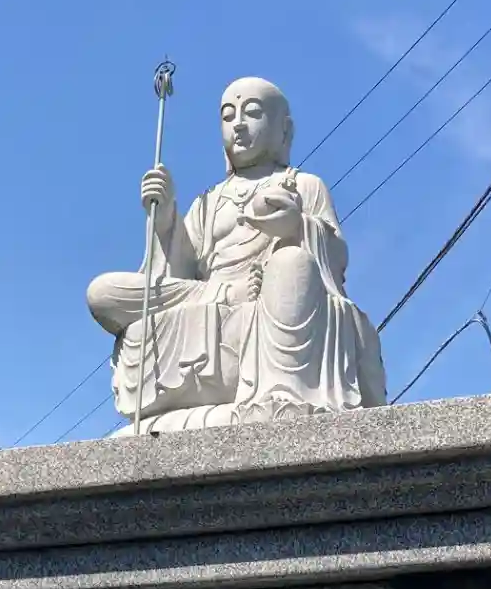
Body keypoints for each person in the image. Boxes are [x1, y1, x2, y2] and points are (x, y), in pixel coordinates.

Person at [86, 77, 385, 432]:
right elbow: (179, 272)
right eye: (228, 116)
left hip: (268, 305)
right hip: (212, 297)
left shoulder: (303, 185)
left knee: (293, 263)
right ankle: (228, 299)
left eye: (252, 113)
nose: (238, 125)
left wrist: (298, 227)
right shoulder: (208, 202)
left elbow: (335, 261)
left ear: (284, 129)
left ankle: (280, 393)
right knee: (102, 293)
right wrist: (164, 222)